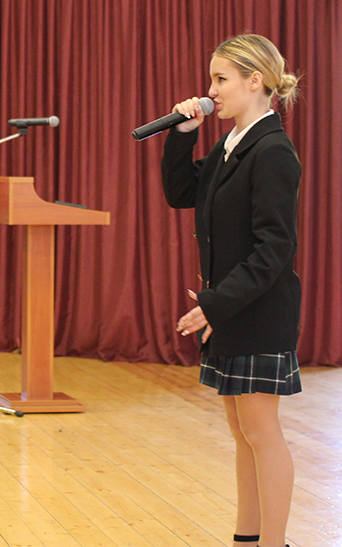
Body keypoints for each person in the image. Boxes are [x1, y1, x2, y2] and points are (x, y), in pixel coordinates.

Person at [161, 34, 301, 547]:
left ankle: (274, 542)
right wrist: (183, 135)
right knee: (242, 432)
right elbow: (181, 192)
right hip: (233, 310)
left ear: (254, 80)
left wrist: (213, 305)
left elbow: (274, 249)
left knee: (261, 432)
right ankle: (248, 537)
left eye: (221, 79)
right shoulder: (230, 145)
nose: (211, 90)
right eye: (212, 79)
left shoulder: (273, 151)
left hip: (258, 312)